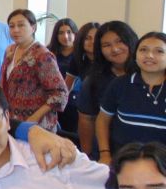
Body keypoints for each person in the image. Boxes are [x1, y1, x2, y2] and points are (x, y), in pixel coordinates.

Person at [97, 32, 166, 160]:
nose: (149, 55)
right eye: (143, 50)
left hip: (162, 168)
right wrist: (105, 154)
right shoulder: (120, 84)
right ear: (135, 56)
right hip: (123, 163)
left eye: (159, 51)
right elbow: (103, 120)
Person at [0, 9, 68, 132]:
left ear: (33, 27)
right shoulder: (10, 50)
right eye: (11, 26)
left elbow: (60, 93)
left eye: (21, 25)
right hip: (13, 120)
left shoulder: (42, 55)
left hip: (38, 124)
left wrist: (33, 118)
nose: (15, 30)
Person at [77, 21, 138, 157]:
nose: (114, 49)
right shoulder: (94, 80)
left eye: (120, 42)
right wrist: (87, 158)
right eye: (106, 45)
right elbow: (86, 120)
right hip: (106, 153)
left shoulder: (146, 75)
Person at [47, 18, 80, 132]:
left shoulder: (80, 54)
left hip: (74, 102)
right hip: (52, 100)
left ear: (75, 33)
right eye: (61, 33)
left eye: (69, 32)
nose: (65, 36)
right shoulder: (48, 52)